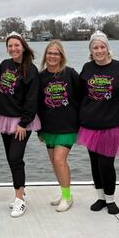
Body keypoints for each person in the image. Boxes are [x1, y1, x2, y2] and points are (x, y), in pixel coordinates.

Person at [78, 30, 119, 215]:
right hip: (90, 124)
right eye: (95, 47)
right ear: (91, 50)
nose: (99, 50)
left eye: (102, 46)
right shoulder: (87, 67)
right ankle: (100, 197)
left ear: (108, 48)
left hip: (112, 124)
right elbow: (80, 93)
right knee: (94, 163)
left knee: (106, 164)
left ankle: (111, 198)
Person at [0, 32, 40, 218]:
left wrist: (23, 123)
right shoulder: (4, 65)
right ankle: (20, 193)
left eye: (17, 45)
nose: (13, 49)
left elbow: (32, 100)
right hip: (4, 118)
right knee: (10, 157)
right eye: (10, 46)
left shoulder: (31, 69)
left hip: (21, 121)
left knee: (16, 158)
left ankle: (20, 201)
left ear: (23, 46)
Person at [38, 40, 80, 212]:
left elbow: (82, 96)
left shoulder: (70, 73)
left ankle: (67, 197)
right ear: (45, 56)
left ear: (61, 56)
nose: (52, 56)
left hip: (68, 125)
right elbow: (37, 102)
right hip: (48, 126)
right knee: (54, 162)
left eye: (56, 53)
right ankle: (64, 193)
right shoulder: (41, 76)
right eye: (49, 53)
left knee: (59, 160)